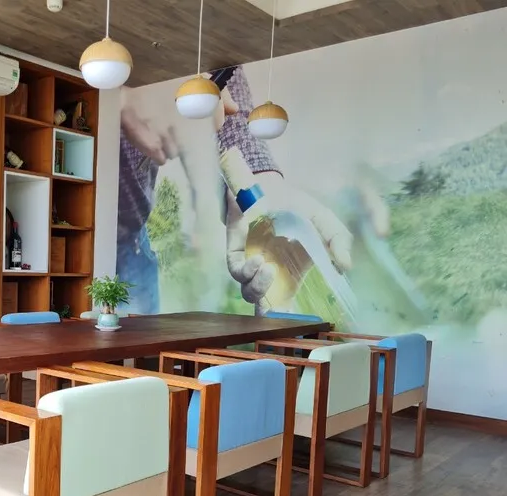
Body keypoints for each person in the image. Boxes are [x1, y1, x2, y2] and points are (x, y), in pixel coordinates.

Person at [116, 64, 354, 315]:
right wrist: (119, 98)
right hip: (107, 238)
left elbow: (220, 71)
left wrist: (260, 179)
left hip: (131, 247)